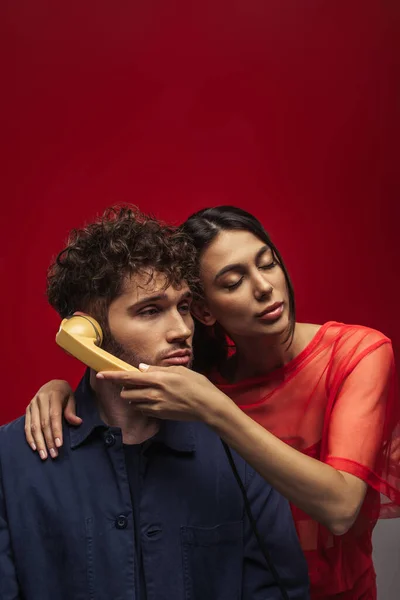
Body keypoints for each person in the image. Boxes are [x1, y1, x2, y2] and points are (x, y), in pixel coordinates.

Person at [26, 205, 400, 599]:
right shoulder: (196, 381)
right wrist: (63, 388)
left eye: (267, 263)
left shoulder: (357, 353)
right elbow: (120, 388)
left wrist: (216, 409)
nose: (264, 287)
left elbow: (341, 508)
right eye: (234, 281)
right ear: (203, 311)